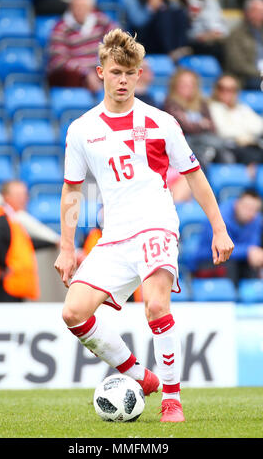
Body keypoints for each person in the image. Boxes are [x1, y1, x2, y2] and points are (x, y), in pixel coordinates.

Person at [54, 28, 234, 422]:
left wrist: (219, 228)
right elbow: (72, 191)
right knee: (73, 313)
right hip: (114, 236)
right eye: (116, 71)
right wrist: (68, 247)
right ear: (101, 71)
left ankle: (172, 399)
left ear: (139, 75)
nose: (122, 80)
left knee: (155, 305)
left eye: (130, 73)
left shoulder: (161, 122)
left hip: (156, 225)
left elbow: (194, 175)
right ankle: (141, 377)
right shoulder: (82, 129)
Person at [0, 180, 57, 302]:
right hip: (5, 286)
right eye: (19, 195)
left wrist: (52, 242)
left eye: (24, 195)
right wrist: (5, 266)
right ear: (6, 197)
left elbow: (26, 243)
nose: (24, 199)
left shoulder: (11, 220)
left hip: (14, 286)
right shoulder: (0, 217)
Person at [47, 0, 116, 92]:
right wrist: (86, 72)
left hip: (96, 70)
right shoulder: (61, 27)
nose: (79, 10)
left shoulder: (100, 20)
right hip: (73, 75)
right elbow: (58, 61)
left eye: (84, 7)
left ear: (91, 9)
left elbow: (118, 38)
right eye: (76, 7)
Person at [192, 189, 263, 285]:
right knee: (231, 266)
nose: (250, 213)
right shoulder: (219, 217)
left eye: (254, 210)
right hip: (208, 261)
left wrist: (254, 254)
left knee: (253, 266)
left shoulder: (256, 219)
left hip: (237, 261)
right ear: (237, 204)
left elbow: (253, 247)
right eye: (247, 208)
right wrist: (248, 251)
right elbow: (221, 249)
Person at [164, 68, 225, 170]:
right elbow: (185, 127)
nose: (188, 87)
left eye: (191, 83)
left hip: (205, 142)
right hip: (184, 145)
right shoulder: (170, 104)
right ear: (175, 85)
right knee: (199, 158)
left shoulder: (202, 104)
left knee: (224, 153)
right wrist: (201, 124)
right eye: (183, 83)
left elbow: (212, 127)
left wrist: (196, 125)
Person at [209, 74, 263, 165]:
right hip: (229, 148)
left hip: (250, 147)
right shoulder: (212, 108)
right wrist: (246, 133)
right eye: (222, 88)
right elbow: (223, 131)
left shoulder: (242, 108)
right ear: (216, 90)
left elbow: (260, 126)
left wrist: (242, 134)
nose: (226, 92)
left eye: (231, 89)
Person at [123, 0, 191, 59]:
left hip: (162, 41)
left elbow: (178, 16)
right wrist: (150, 8)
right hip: (141, 39)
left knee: (179, 13)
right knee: (164, 16)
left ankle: (179, 48)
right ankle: (171, 52)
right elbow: (138, 23)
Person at [176, 0, 229, 65]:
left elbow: (219, 29)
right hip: (191, 45)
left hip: (213, 44)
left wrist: (211, 34)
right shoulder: (176, 6)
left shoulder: (209, 2)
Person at [224, 0, 263, 90]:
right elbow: (237, 64)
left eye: (261, 11)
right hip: (246, 78)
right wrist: (260, 73)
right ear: (247, 12)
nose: (260, 14)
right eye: (256, 11)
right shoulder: (236, 35)